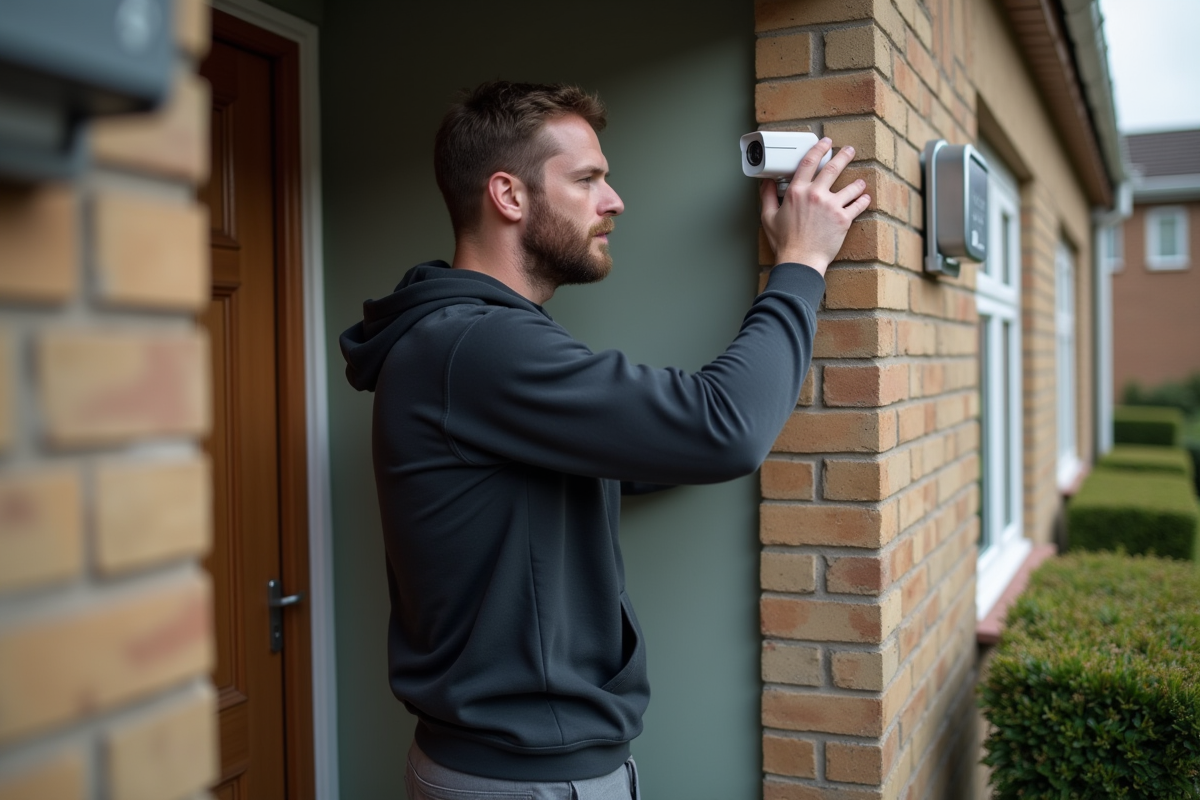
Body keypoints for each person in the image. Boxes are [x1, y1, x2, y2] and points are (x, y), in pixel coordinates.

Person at [339, 80, 870, 800]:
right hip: (525, 782)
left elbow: (631, 456)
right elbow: (725, 431)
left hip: (520, 770)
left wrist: (675, 432)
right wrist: (801, 265)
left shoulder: (466, 341)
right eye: (588, 179)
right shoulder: (477, 344)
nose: (614, 200)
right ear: (509, 195)